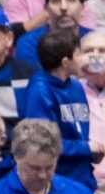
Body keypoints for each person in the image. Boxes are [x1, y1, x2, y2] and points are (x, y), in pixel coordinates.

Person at [14, 29, 99, 186]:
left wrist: (89, 153)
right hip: (56, 183)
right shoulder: (38, 92)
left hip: (83, 178)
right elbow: (41, 144)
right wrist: (86, 148)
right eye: (79, 54)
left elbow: (78, 134)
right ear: (65, 62)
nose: (84, 59)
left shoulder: (75, 86)